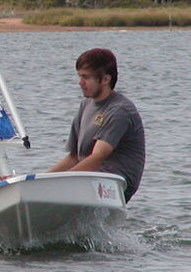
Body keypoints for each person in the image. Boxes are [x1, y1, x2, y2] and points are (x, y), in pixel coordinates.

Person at [47, 48, 145, 201]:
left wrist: (61, 183)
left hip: (115, 185)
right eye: (79, 76)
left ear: (105, 79)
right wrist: (42, 179)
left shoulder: (120, 110)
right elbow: (74, 157)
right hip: (88, 179)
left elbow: (98, 157)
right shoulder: (85, 105)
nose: (80, 83)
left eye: (86, 77)